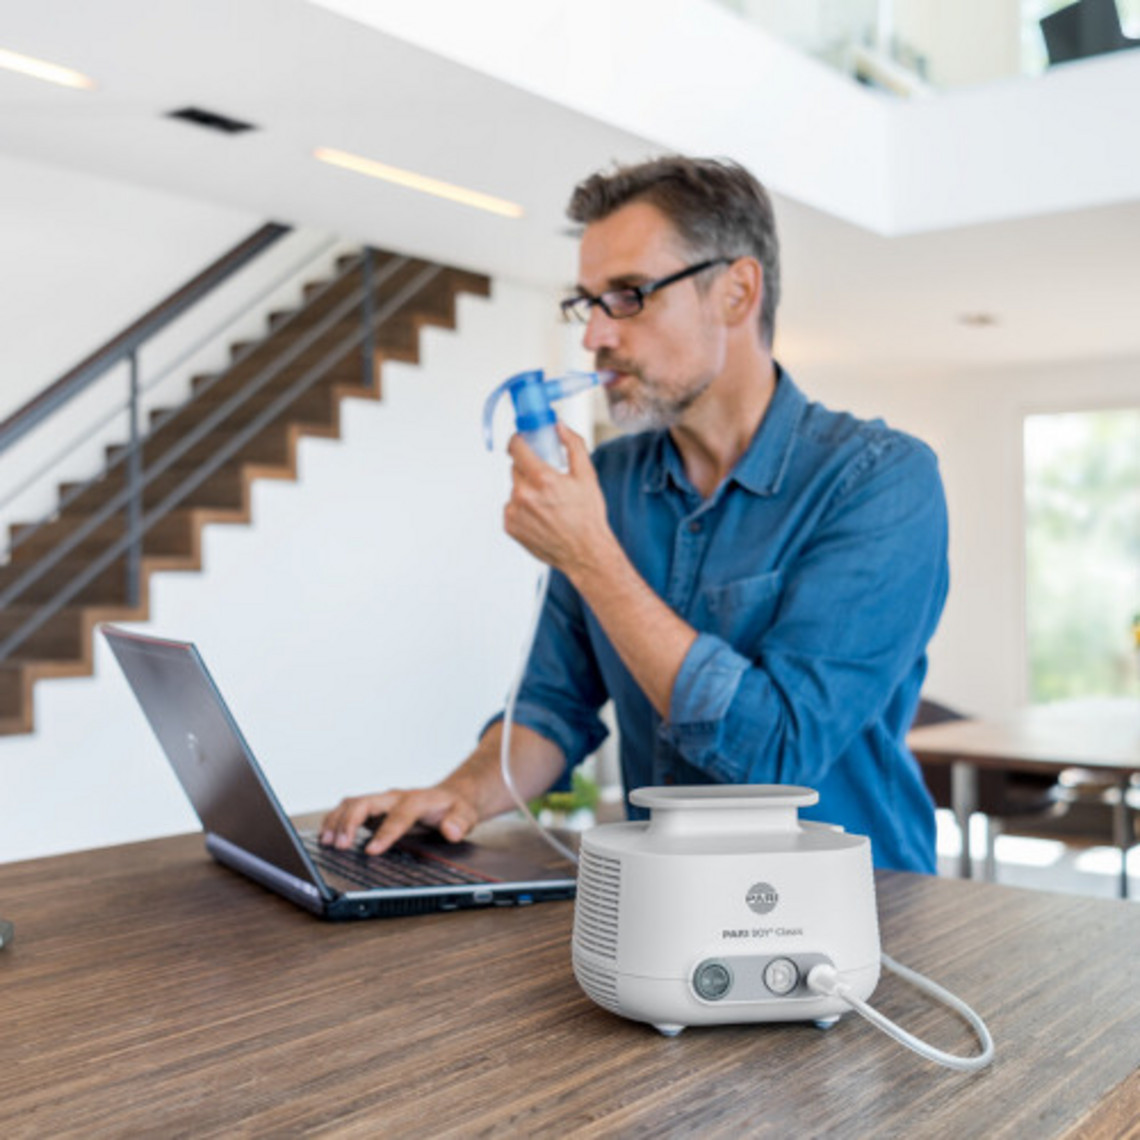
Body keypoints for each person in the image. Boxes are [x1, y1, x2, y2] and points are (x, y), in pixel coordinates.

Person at [321, 155, 948, 873]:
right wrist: (454, 795)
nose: (594, 335)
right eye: (586, 302)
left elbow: (778, 756)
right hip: (665, 903)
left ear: (737, 293)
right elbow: (553, 707)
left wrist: (591, 555)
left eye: (628, 295)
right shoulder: (610, 483)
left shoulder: (881, 480)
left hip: (860, 915)